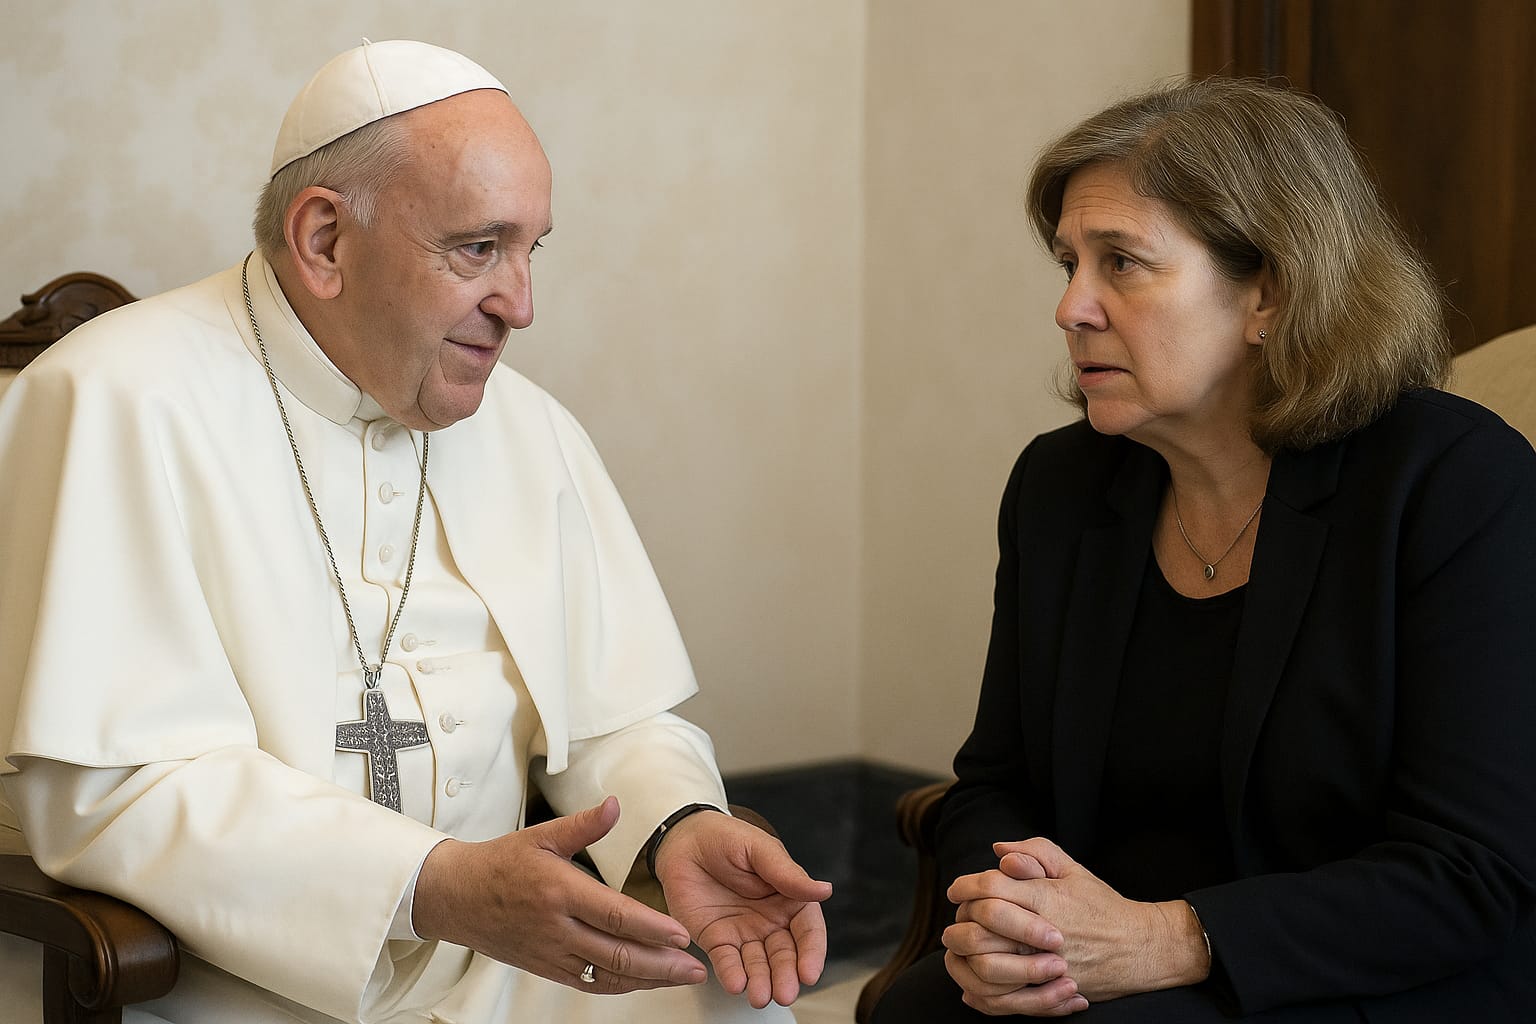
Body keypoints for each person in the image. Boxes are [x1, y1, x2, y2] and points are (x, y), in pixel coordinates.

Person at [0, 40, 830, 1024]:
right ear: (324, 242)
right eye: (478, 248)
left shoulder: (532, 428)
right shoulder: (114, 398)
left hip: (498, 964)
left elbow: (614, 716)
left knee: (737, 1012)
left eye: (533, 249)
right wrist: (432, 880)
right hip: (218, 983)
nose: (522, 304)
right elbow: (118, 789)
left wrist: (679, 822)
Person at [871, 77, 1536, 1022]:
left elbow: (1472, 869)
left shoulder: (1455, 481)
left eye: (1123, 264)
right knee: (925, 1009)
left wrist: (1168, 939)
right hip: (1106, 968)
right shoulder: (1062, 486)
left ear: (1268, 290)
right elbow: (995, 787)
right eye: (1068, 264)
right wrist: (1019, 922)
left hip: (1374, 975)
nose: (1072, 307)